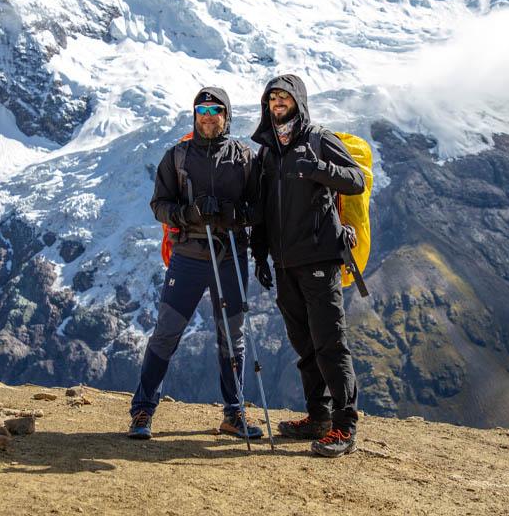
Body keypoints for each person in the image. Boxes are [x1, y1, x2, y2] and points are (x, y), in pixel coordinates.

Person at [128, 86, 263, 441]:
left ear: (225, 115)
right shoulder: (177, 157)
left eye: (214, 110)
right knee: (166, 334)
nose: (206, 116)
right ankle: (142, 410)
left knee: (232, 338)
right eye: (200, 110)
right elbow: (159, 204)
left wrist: (238, 214)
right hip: (188, 256)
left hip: (230, 255)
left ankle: (234, 414)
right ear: (194, 116)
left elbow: (261, 209)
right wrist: (187, 213)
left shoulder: (245, 159)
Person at [249, 73, 365, 458]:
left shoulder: (318, 138)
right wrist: (260, 252)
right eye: (272, 98)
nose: (278, 103)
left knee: (330, 342)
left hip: (319, 259)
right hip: (284, 264)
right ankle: (318, 417)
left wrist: (317, 168)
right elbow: (264, 208)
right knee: (304, 344)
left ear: (297, 100)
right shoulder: (267, 151)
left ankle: (345, 427)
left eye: (284, 97)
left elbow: (355, 180)